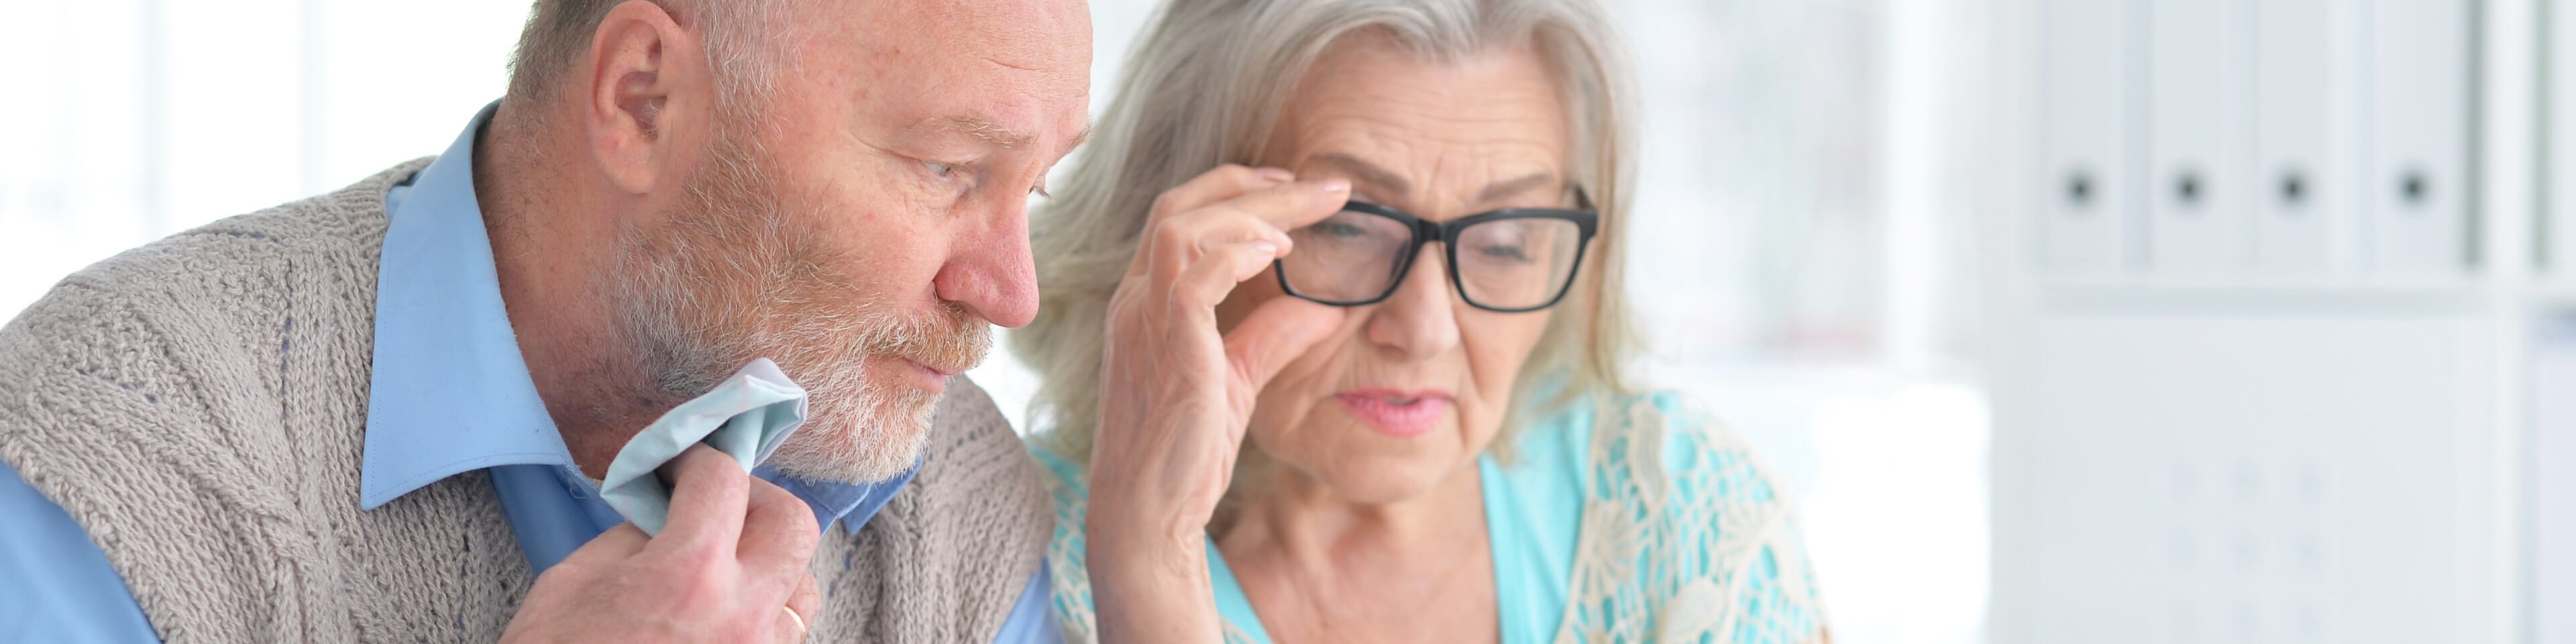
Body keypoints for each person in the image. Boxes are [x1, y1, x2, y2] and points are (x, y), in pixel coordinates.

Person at [0, 0, 1089, 640]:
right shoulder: (114, 450)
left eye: (1030, 190)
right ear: (641, 101)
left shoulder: (964, 506)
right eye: (949, 170)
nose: (1011, 292)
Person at [1012, 0, 1829, 641]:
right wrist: (1150, 568)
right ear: (1171, 226)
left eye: (1504, 243)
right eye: (1347, 228)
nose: (1426, 327)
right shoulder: (1003, 554)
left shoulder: (1682, 511)